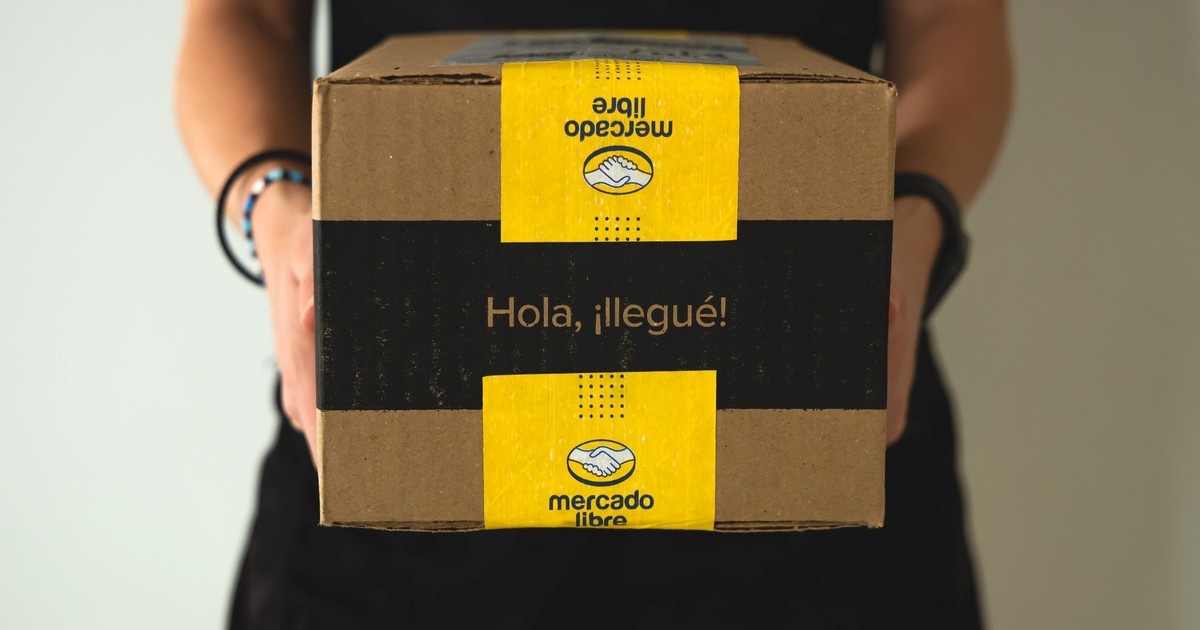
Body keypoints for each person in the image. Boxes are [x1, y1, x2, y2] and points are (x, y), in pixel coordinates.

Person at [175, 1, 1011, 627]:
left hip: (804, 435)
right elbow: (242, 15)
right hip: (404, 453)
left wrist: (914, 220)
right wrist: (274, 210)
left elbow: (947, 22)